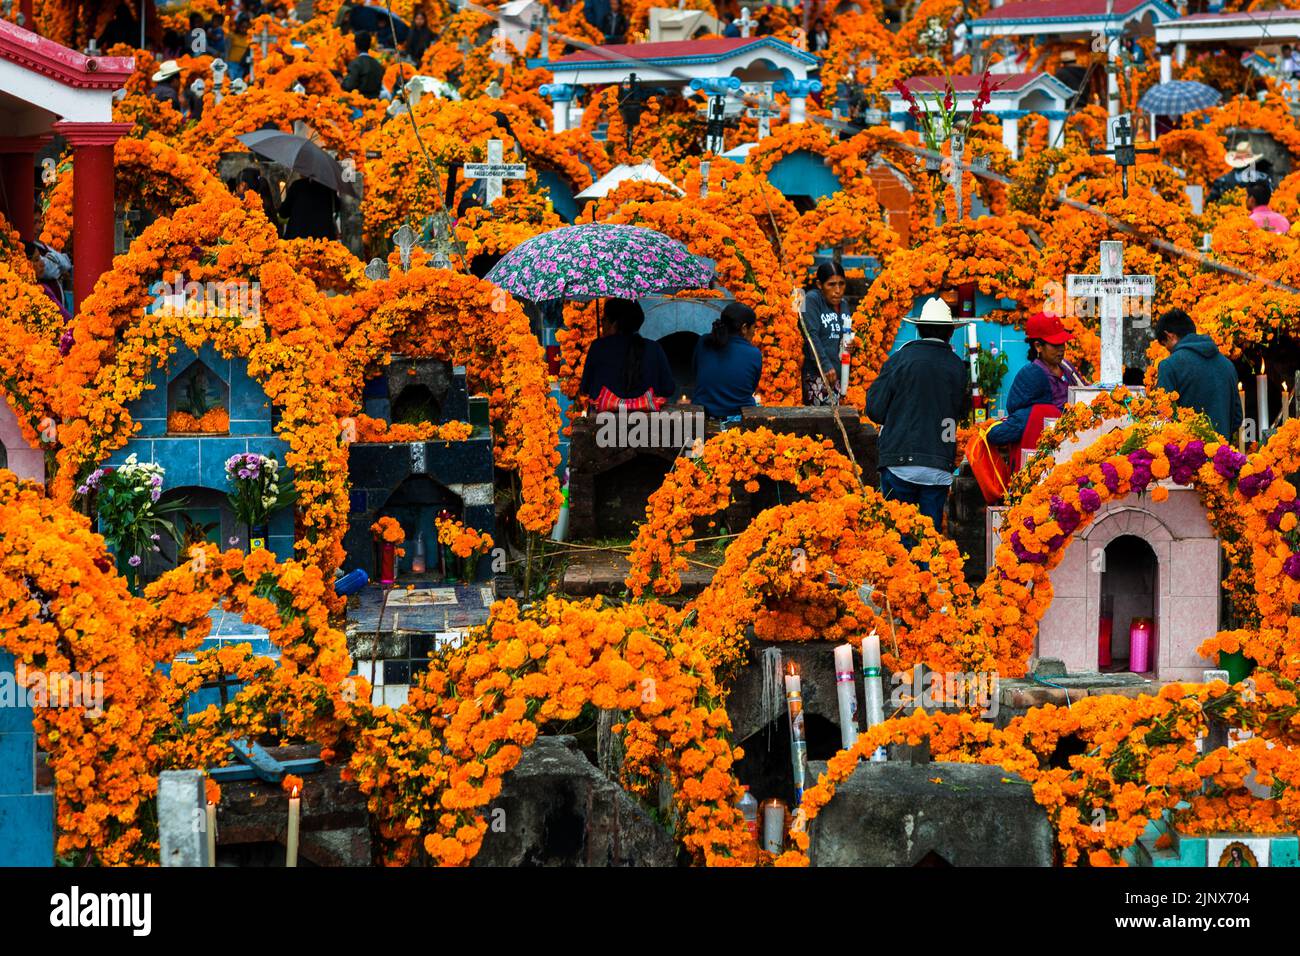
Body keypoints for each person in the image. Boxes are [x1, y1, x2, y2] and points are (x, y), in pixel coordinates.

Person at [864, 297, 970, 532]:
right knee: (928, 542)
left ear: (919, 329)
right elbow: (960, 412)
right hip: (938, 463)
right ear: (950, 333)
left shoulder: (899, 360)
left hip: (899, 459)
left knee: (897, 541)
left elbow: (875, 410)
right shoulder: (957, 367)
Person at [987, 311, 1083, 447]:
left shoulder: (1066, 366)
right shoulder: (1032, 374)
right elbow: (1025, 416)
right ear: (1038, 346)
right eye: (1055, 345)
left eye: (1063, 343)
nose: (1061, 349)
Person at [1153, 309, 1242, 440]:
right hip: (1223, 454)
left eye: (1165, 345)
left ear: (1169, 336)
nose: (1168, 350)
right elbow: (1237, 417)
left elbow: (1164, 417)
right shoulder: (1227, 364)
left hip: (1185, 455)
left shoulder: (1169, 365)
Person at [579, 298, 676, 406]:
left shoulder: (598, 347)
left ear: (614, 323)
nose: (602, 324)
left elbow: (585, 387)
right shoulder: (654, 348)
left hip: (604, 420)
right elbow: (668, 388)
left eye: (604, 320)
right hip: (646, 420)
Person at [692, 302, 762, 419]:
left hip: (705, 413)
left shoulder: (703, 341)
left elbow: (696, 373)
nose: (754, 332)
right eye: (754, 327)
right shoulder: (754, 353)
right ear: (744, 328)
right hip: (738, 416)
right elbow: (751, 388)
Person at [801, 262, 850, 405]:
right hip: (817, 375)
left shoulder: (844, 305)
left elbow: (844, 336)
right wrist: (825, 365)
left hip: (839, 376)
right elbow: (811, 335)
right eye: (831, 284)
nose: (838, 290)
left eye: (842, 284)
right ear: (819, 284)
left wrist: (850, 344)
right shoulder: (811, 300)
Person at [279, 175, 339, 240]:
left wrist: (281, 204)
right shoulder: (329, 188)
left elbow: (283, 213)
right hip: (324, 240)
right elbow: (336, 207)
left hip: (297, 239)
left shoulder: (297, 185)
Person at [342, 32, 384, 98]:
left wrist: (342, 82)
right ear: (369, 45)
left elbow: (349, 86)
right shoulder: (377, 65)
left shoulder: (355, 64)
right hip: (376, 103)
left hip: (358, 102)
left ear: (356, 46)